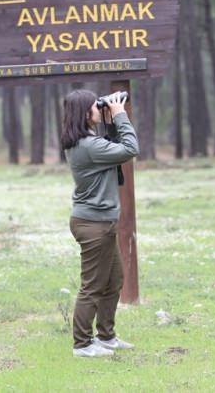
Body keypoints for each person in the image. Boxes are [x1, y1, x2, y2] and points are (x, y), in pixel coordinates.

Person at [61, 89, 139, 358]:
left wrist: (110, 118)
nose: (99, 108)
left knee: (113, 279)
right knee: (93, 285)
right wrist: (120, 115)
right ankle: (82, 344)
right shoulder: (89, 146)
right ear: (85, 113)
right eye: (96, 106)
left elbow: (115, 150)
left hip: (97, 223)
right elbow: (130, 149)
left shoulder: (85, 143)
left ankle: (106, 337)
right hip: (94, 225)